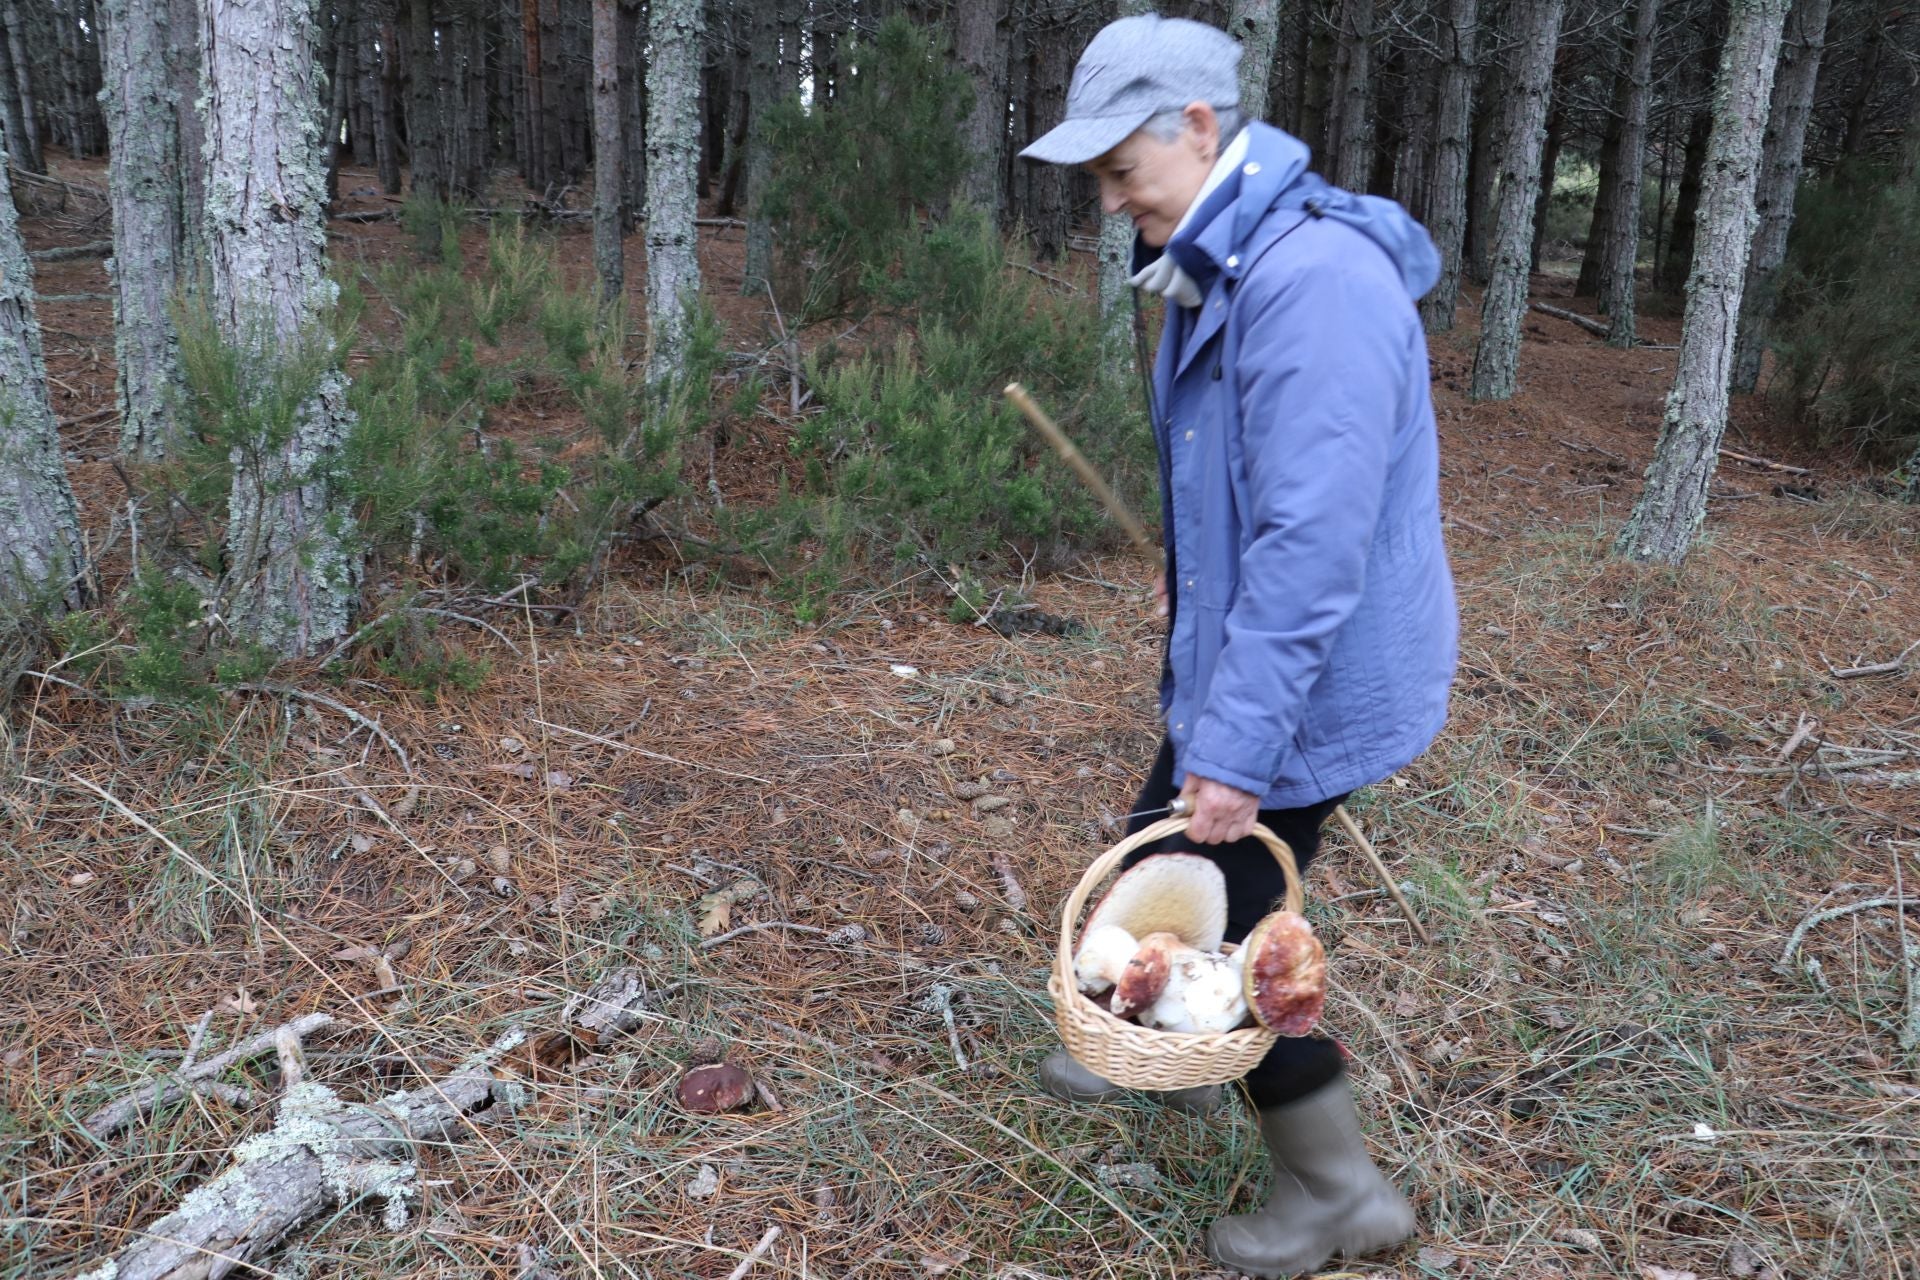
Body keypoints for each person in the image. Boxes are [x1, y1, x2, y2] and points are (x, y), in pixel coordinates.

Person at [1019, 14, 1458, 1278]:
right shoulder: (1228, 257)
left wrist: (1242, 743)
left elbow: (1314, 549)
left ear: (1200, 129)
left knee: (1252, 916)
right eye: (1097, 180)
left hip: (1309, 676)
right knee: (1163, 834)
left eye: (1122, 174)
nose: (1110, 205)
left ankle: (1341, 1194)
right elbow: (1249, 489)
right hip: (1253, 649)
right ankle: (1163, 1044)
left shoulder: (1314, 283)